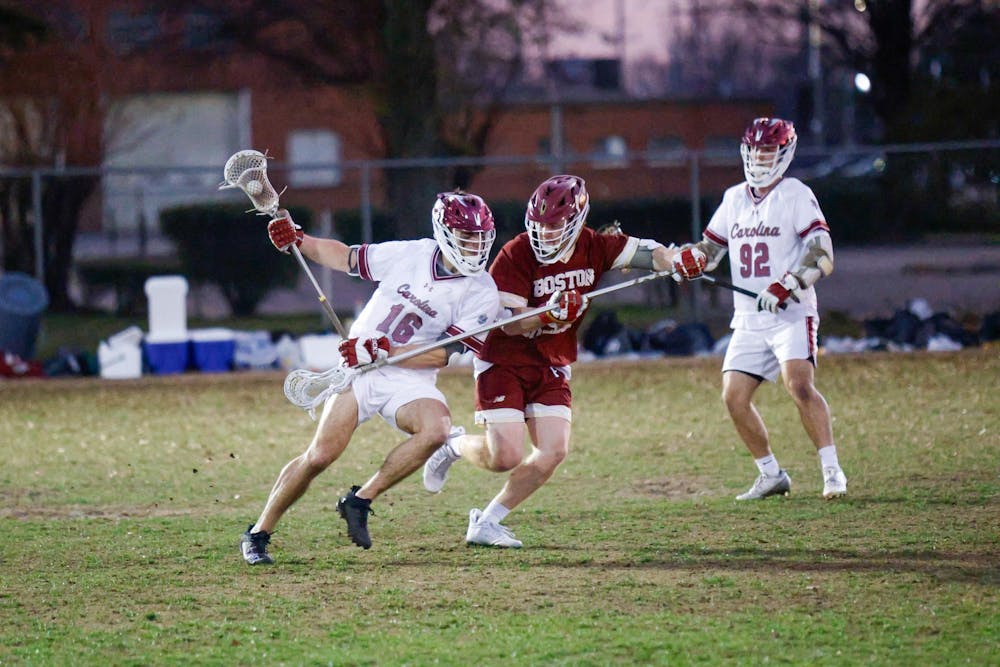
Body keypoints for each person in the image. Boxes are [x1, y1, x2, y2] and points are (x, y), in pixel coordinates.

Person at [421, 174, 698, 547]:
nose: (546, 234)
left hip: (550, 360)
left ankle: (487, 522)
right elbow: (512, 325)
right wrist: (548, 313)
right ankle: (452, 446)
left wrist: (679, 259)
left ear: (577, 222)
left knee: (553, 451)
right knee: (504, 456)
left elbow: (650, 254)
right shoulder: (515, 254)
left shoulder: (595, 245)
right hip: (503, 359)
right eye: (540, 226)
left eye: (554, 227)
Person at [240, 191, 500, 564]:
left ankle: (360, 500)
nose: (475, 246)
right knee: (320, 456)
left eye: (481, 237)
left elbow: (446, 354)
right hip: (359, 368)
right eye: (466, 237)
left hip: (409, 375)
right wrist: (301, 240)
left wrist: (385, 352)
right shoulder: (414, 254)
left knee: (437, 429)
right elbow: (346, 257)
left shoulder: (482, 292)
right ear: (444, 233)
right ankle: (258, 533)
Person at [671, 117, 847, 501]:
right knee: (733, 396)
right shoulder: (734, 198)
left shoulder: (796, 193)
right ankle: (770, 474)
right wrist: (691, 260)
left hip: (791, 313)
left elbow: (822, 252)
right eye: (755, 150)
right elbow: (711, 250)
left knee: (799, 384)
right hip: (749, 318)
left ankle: (832, 471)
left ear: (784, 152)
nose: (760, 157)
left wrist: (788, 282)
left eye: (767, 150)